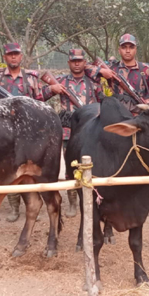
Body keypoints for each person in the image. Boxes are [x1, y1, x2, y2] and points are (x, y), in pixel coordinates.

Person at [0, 42, 66, 222]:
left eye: (16, 54)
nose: (13, 57)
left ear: (21, 57)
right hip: (4, 131)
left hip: (28, 132)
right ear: (5, 57)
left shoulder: (30, 78)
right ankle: (14, 208)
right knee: (10, 168)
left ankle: (33, 204)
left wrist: (50, 90)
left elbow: (38, 100)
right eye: (10, 54)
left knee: (29, 168)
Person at [53, 48, 103, 217]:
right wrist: (52, 89)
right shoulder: (60, 82)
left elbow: (102, 103)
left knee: (92, 165)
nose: (76, 63)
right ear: (69, 63)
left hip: (89, 131)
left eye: (79, 61)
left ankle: (91, 197)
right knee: (69, 167)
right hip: (68, 132)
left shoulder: (94, 84)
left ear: (84, 62)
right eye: (73, 61)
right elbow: (40, 95)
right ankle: (73, 202)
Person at [87, 33, 149, 113]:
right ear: (119, 50)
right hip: (116, 115)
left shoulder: (146, 69)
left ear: (135, 50)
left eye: (131, 47)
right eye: (124, 47)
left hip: (139, 115)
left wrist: (148, 100)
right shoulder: (111, 68)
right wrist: (101, 71)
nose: (128, 51)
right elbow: (85, 67)